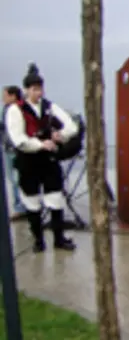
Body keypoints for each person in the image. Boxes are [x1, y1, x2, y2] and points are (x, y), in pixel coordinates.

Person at [5, 63, 78, 252]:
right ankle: (38, 240)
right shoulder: (16, 110)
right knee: (32, 201)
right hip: (28, 160)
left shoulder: (49, 106)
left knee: (55, 198)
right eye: (34, 89)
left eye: (40, 89)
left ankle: (59, 239)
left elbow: (71, 126)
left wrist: (59, 135)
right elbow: (18, 139)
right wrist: (39, 143)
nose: (38, 93)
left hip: (48, 160)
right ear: (26, 90)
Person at [2, 85, 25, 219]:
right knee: (14, 179)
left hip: (14, 149)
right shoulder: (6, 109)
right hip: (8, 148)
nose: (2, 99)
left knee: (17, 179)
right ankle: (20, 205)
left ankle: (21, 207)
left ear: (13, 96)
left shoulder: (17, 110)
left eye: (5, 96)